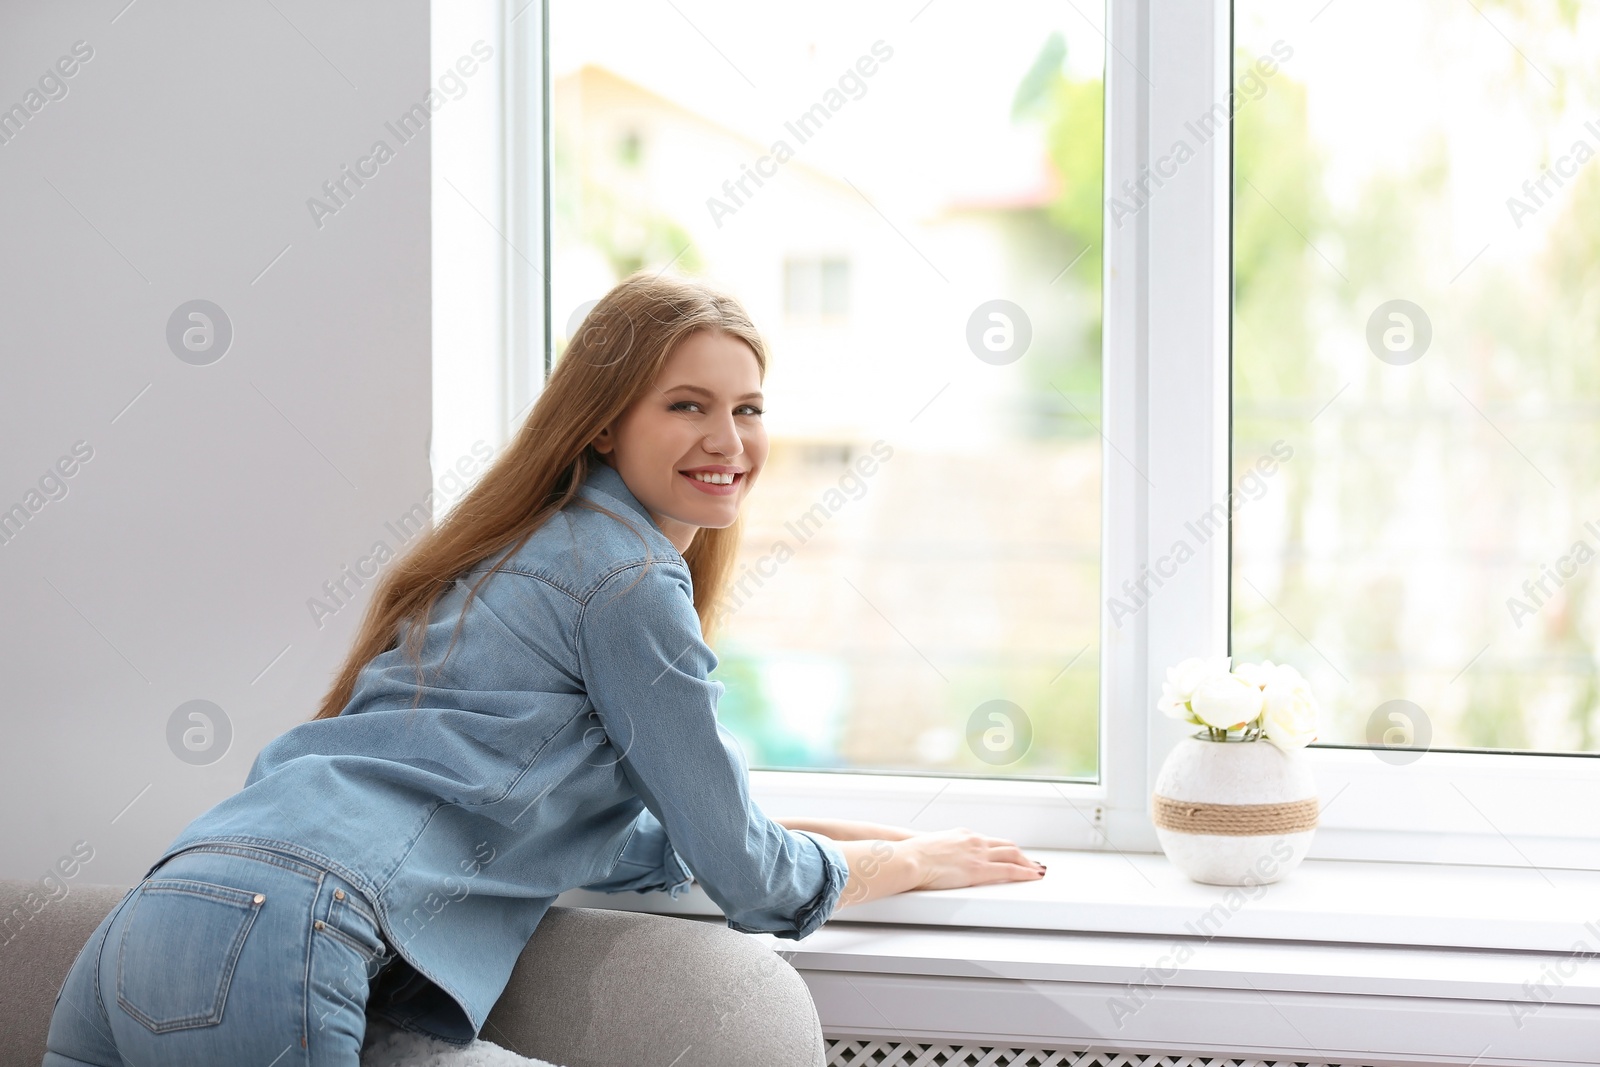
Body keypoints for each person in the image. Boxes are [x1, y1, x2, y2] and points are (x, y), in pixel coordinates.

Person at [41, 272, 1046, 1066]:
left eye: (748, 408)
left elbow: (582, 834)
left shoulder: (510, 547)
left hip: (164, 901)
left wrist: (849, 830)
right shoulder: (627, 583)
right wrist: (906, 865)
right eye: (688, 404)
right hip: (289, 926)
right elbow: (747, 880)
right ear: (606, 421)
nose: (728, 440)